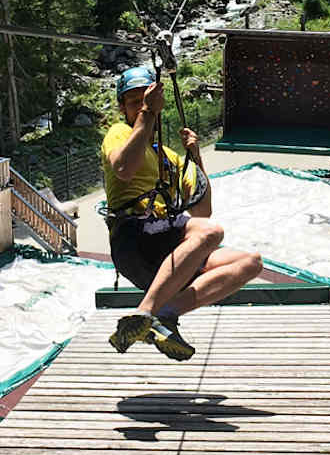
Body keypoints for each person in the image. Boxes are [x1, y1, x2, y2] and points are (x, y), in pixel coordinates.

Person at [101, 66, 263, 360]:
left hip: (164, 245)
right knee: (211, 232)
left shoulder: (168, 156)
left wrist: (196, 157)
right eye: (134, 102)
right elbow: (123, 168)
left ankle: (164, 313)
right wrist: (147, 115)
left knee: (249, 262)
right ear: (122, 107)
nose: (141, 107)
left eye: (145, 100)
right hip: (134, 240)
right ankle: (145, 312)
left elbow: (202, 209)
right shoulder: (119, 133)